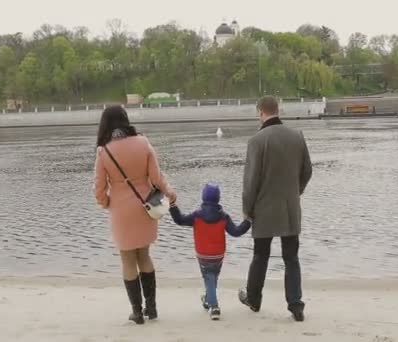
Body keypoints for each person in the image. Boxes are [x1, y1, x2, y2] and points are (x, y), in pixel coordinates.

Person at [94, 106, 176, 325]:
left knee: (128, 260)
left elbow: (99, 191)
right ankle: (152, 307)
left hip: (121, 211)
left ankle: (137, 312)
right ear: (125, 120)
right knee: (145, 256)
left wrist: (108, 203)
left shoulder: (104, 152)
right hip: (145, 207)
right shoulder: (143, 142)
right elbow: (157, 178)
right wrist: (169, 194)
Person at [238, 96, 312, 322]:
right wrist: (295, 191)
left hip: (264, 207)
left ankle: (254, 299)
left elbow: (251, 181)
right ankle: (296, 304)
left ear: (261, 112)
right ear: (278, 110)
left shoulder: (257, 141)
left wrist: (247, 208)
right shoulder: (296, 136)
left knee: (260, 255)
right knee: (291, 257)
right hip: (290, 206)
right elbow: (307, 171)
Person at [169, 183, 251, 320]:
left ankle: (214, 306)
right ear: (218, 198)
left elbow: (180, 220)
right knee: (212, 277)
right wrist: (248, 221)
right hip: (218, 254)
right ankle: (207, 299)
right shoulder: (224, 216)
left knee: (209, 277)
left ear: (203, 197)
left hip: (203, 254)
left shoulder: (197, 216)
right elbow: (236, 232)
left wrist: (173, 205)